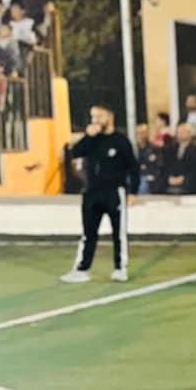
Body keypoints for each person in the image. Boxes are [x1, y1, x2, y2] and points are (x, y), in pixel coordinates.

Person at [60, 105, 138, 283]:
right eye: (93, 116)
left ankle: (120, 268)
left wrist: (133, 191)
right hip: (91, 192)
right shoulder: (92, 140)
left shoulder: (121, 141)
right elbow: (74, 153)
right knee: (88, 233)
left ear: (109, 116)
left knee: (118, 233)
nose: (95, 120)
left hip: (114, 192)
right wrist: (88, 136)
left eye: (99, 116)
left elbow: (133, 167)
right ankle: (81, 269)